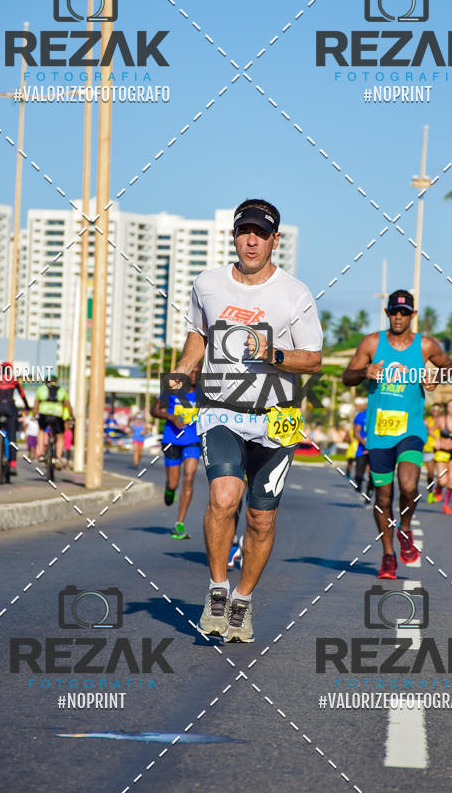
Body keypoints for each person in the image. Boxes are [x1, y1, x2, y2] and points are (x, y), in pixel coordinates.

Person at [169, 198, 322, 643]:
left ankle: (243, 601)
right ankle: (218, 590)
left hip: (277, 416)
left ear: (276, 240)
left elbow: (313, 360)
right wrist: (184, 368)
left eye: (261, 233)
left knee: (261, 520)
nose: (251, 240)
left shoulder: (295, 294)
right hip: (222, 409)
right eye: (244, 231)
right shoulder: (208, 284)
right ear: (234, 236)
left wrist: (271, 354)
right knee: (222, 496)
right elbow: (198, 335)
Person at [343, 289, 452, 579]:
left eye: (404, 313)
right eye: (394, 311)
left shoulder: (425, 346)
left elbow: (449, 366)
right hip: (379, 432)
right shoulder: (371, 343)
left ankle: (405, 529)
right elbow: (347, 377)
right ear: (388, 312)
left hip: (411, 430)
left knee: (407, 486)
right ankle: (388, 556)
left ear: (413, 315)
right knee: (382, 497)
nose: (398, 317)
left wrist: (436, 378)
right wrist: (365, 372)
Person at [150, 364, 202, 540]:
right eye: (192, 371)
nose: (194, 374)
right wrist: (171, 417)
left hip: (193, 441)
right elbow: (154, 410)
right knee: (173, 483)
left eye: (198, 371)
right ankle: (169, 489)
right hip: (171, 440)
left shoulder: (204, 393)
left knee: (189, 477)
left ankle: (179, 523)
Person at [0, 362, 30, 474]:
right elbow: (22, 395)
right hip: (10, 408)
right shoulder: (14, 381)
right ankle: (13, 465)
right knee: (12, 438)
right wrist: (27, 408)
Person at [33, 374, 72, 469]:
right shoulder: (62, 390)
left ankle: (41, 453)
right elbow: (68, 405)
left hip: (44, 414)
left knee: (41, 430)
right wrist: (71, 416)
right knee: (60, 436)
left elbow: (36, 404)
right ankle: (58, 458)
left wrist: (34, 414)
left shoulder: (41, 389)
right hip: (57, 415)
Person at [352, 398, 372, 505]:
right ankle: (358, 483)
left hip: (375, 450)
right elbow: (356, 433)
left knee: (373, 475)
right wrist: (365, 445)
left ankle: (369, 493)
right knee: (359, 474)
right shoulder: (360, 415)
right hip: (362, 449)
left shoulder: (379, 414)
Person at [423, 403, 441, 503]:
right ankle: (430, 492)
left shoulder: (442, 421)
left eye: (438, 409)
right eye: (434, 409)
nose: (436, 411)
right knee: (430, 473)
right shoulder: (427, 421)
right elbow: (427, 430)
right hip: (429, 448)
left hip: (440, 450)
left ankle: (438, 490)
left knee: (440, 474)